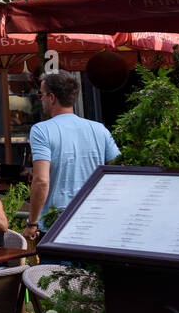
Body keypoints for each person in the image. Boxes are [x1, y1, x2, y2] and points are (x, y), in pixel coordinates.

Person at [25, 71, 121, 241]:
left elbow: (41, 181)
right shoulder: (99, 129)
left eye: (42, 94)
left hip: (56, 222)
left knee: (54, 269)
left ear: (52, 97)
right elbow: (119, 173)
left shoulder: (41, 130)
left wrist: (32, 222)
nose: (41, 99)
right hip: (94, 219)